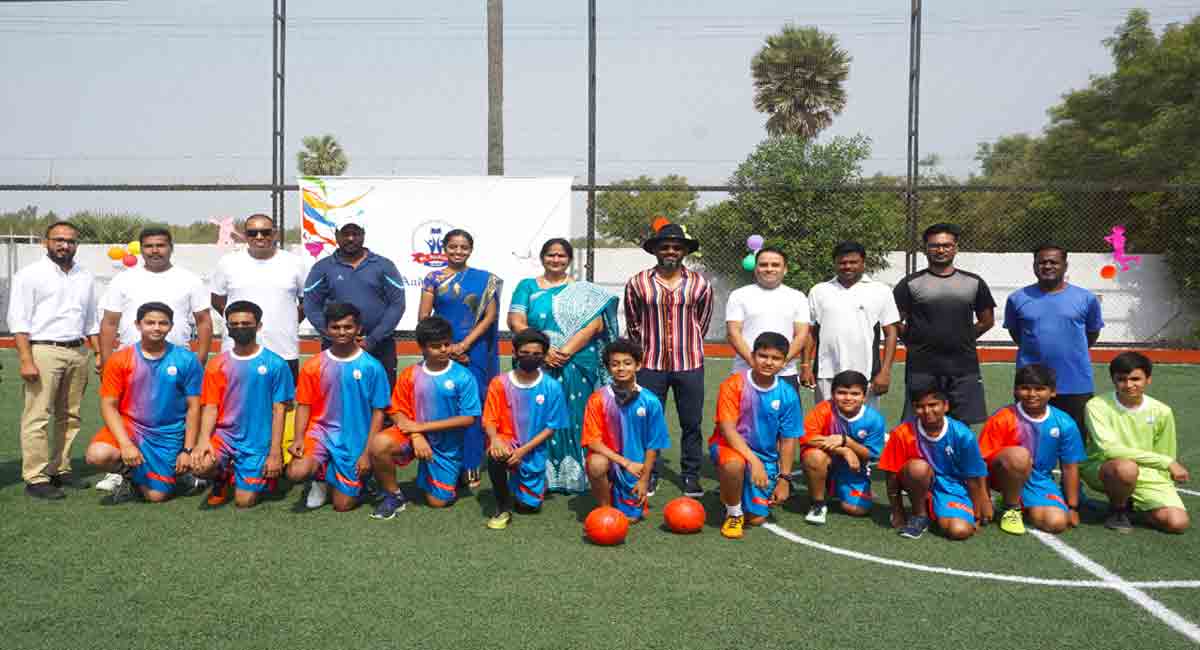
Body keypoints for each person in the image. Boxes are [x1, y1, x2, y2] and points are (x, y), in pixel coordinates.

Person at [97, 226, 212, 493]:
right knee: (124, 412)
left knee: (179, 415)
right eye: (149, 246)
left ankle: (182, 465)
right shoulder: (123, 280)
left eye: (160, 245)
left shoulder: (189, 279)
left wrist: (201, 359)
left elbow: (204, 321)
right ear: (141, 249)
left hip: (176, 360)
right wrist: (106, 360)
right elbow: (109, 322)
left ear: (171, 248)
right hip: (131, 361)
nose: (155, 251)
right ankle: (122, 471)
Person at [508, 238, 618, 495]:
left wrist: (565, 352)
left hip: (577, 361)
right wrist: (543, 350)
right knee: (537, 415)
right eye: (550, 255)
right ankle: (538, 473)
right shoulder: (527, 286)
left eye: (561, 255)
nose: (555, 259)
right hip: (536, 361)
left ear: (569, 259)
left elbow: (596, 325)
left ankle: (577, 476)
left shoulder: (584, 291)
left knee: (576, 414)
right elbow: (516, 320)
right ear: (542, 258)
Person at [9, 221, 100, 499]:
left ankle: (60, 468)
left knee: (70, 415)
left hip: (78, 351)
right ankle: (36, 477)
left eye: (70, 241)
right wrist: (26, 359)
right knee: (38, 415)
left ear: (76, 245)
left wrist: (98, 353)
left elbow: (91, 320)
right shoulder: (29, 275)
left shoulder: (85, 276)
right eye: (58, 240)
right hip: (43, 350)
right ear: (45, 242)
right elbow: (19, 321)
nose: (64, 245)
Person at [210, 213, 307, 465]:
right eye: (253, 232)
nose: (260, 237)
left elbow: (306, 302)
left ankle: (279, 458)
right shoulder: (228, 263)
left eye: (266, 232)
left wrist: (285, 323)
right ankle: (232, 460)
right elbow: (218, 300)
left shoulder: (294, 263)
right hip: (237, 351)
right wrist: (242, 328)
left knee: (282, 407)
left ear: (275, 233)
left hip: (283, 350)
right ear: (245, 235)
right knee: (235, 405)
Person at [624, 223, 713, 498]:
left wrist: (687, 342)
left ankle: (691, 476)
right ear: (655, 250)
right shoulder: (638, 282)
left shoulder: (700, 284)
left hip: (689, 363)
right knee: (648, 421)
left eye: (676, 247)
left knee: (691, 422)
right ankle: (648, 474)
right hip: (650, 363)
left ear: (685, 251)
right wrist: (646, 347)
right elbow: (633, 322)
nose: (671, 251)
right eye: (665, 247)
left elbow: (702, 321)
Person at [83, 302, 203, 504]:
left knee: (156, 497)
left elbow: (194, 408)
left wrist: (187, 450)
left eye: (163, 323)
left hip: (169, 433)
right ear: (138, 325)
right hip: (131, 427)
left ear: (171, 326)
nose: (156, 328)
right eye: (150, 323)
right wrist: (125, 444)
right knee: (98, 455)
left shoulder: (187, 360)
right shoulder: (120, 359)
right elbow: (109, 405)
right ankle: (129, 477)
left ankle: (180, 475)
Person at [368, 316, 482, 519]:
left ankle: (451, 474)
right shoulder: (410, 374)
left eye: (447, 344)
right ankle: (394, 496)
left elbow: (468, 419)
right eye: (436, 346)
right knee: (378, 444)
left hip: (446, 444)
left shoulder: (463, 376)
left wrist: (420, 428)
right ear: (421, 347)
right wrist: (416, 435)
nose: (444, 349)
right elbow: (395, 410)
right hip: (411, 435)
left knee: (438, 502)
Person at [286, 302, 391, 512]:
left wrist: (367, 452)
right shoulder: (313, 365)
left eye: (347, 327)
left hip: (355, 439)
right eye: (335, 327)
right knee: (296, 472)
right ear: (326, 329)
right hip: (320, 433)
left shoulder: (372, 367)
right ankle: (320, 479)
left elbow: (379, 412)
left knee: (343, 505)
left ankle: (356, 478)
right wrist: (298, 438)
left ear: (358, 329)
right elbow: (304, 405)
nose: (341, 332)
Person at [418, 228, 501, 489]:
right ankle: (444, 460)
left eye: (464, 247)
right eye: (453, 246)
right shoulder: (433, 278)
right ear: (444, 248)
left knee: (472, 406)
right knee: (443, 404)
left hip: (474, 349)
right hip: (440, 348)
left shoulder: (485, 279)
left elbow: (489, 316)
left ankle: (471, 463)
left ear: (471, 250)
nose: (458, 251)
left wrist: (464, 345)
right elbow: (424, 316)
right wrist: (443, 346)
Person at [191, 301, 296, 508]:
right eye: (235, 324)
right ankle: (221, 476)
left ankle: (252, 474)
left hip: (258, 440)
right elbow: (210, 407)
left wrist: (275, 452)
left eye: (246, 324)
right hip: (224, 437)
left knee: (245, 501)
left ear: (258, 326)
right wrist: (203, 441)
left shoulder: (276, 364)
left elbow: (279, 410)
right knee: (200, 466)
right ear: (228, 328)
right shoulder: (216, 364)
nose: (240, 328)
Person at [893, 223, 995, 425]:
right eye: (934, 246)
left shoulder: (974, 282)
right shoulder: (910, 283)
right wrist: (913, 340)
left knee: (961, 426)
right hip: (922, 368)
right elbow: (893, 320)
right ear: (925, 249)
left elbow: (987, 321)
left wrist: (963, 337)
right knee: (920, 424)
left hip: (963, 367)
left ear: (956, 248)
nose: (940, 250)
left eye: (946, 245)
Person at [1003, 244, 1104, 440]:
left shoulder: (1086, 298)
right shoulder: (1017, 298)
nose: (1047, 266)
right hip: (1032, 383)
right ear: (1034, 266)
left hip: (1075, 382)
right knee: (1029, 440)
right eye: (1042, 262)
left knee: (1074, 440)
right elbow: (1017, 334)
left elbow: (1091, 334)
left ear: (1065, 266)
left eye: (1053, 262)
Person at [1082, 352, 1189, 534]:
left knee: (1177, 523)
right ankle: (1118, 510)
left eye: (1135, 379)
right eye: (1121, 379)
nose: (1129, 385)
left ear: (1148, 380)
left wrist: (1164, 487)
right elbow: (1109, 450)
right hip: (1104, 468)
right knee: (1126, 468)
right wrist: (1167, 463)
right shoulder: (1097, 406)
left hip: (1147, 473)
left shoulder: (1162, 411)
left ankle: (1136, 505)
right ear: (1113, 380)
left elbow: (1165, 451)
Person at [710, 332, 802, 539]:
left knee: (756, 518)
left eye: (776, 358)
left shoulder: (788, 394)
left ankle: (733, 490)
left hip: (765, 457)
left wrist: (784, 479)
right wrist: (754, 462)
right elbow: (728, 430)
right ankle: (734, 513)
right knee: (734, 465)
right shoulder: (733, 384)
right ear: (752, 356)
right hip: (729, 447)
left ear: (784, 362)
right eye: (763, 356)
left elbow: (788, 440)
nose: (768, 362)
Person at [978, 364, 1085, 536]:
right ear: (1016, 390)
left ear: (1053, 392)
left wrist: (1072, 507)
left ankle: (1024, 502)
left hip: (1038, 480)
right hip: (999, 476)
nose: (1032, 394)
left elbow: (1070, 466)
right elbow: (980, 463)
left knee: (1056, 523)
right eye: (1025, 388)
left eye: (1039, 389)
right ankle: (1011, 508)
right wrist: (983, 500)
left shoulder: (1064, 422)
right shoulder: (1002, 418)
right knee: (1019, 456)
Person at [480, 328, 569, 529]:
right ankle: (502, 506)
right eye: (525, 353)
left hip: (532, 449)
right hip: (506, 440)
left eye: (536, 354)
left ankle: (531, 487)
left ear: (544, 356)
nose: (530, 357)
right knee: (495, 455)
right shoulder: (499, 383)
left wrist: (522, 451)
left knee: (527, 507)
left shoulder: (552, 387)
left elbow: (551, 428)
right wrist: (495, 440)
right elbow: (490, 419)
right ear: (514, 353)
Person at [879, 384, 991, 541]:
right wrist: (897, 511)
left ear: (945, 406)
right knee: (917, 468)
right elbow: (891, 474)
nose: (927, 411)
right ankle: (919, 515)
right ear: (914, 408)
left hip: (952, 488)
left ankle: (935, 508)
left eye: (933, 405)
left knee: (959, 530)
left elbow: (974, 477)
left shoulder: (963, 434)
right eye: (920, 406)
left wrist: (977, 511)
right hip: (918, 481)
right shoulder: (901, 433)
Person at [302, 221, 406, 388]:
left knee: (382, 398)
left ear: (363, 235)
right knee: (336, 396)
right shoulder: (322, 268)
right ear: (336, 235)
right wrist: (336, 335)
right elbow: (311, 305)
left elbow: (397, 304)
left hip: (379, 347)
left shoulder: (384, 265)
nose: (350, 238)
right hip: (336, 347)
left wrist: (372, 340)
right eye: (345, 234)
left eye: (355, 234)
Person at [801, 241, 900, 411]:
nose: (847, 266)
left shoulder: (881, 290)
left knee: (863, 422)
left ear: (863, 263)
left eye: (853, 262)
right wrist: (805, 366)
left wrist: (885, 372)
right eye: (842, 262)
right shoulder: (819, 291)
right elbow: (811, 332)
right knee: (827, 421)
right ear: (835, 263)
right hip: (827, 373)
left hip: (866, 373)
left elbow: (891, 333)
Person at [582, 338, 670, 522]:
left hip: (635, 468)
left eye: (627, 363)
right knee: (596, 464)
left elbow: (653, 445)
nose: (621, 368)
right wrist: (625, 462)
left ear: (638, 365)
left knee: (632, 518)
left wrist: (644, 480)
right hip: (611, 460)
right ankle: (605, 510)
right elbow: (592, 442)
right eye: (615, 364)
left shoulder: (651, 401)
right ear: (608, 368)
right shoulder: (597, 399)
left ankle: (626, 497)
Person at [797, 370, 887, 525]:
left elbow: (871, 454)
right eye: (842, 393)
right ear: (833, 394)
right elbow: (805, 437)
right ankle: (818, 503)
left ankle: (837, 487)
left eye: (855, 394)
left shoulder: (874, 419)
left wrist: (847, 442)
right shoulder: (823, 409)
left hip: (852, 468)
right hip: (825, 460)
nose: (848, 398)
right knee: (814, 457)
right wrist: (843, 450)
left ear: (864, 397)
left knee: (858, 509)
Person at [725, 246, 809, 394]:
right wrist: (754, 363)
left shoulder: (798, 297)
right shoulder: (738, 295)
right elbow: (733, 333)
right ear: (756, 268)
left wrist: (780, 362)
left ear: (785, 269)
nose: (769, 269)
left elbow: (801, 335)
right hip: (745, 372)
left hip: (785, 374)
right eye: (763, 265)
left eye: (775, 265)